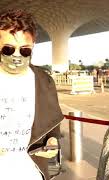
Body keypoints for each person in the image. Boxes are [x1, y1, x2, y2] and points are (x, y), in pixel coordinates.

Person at [0, 9, 64, 180]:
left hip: (30, 171)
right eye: (8, 49)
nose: (16, 55)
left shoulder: (44, 81)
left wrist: (52, 143)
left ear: (33, 45)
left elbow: (52, 126)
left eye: (25, 50)